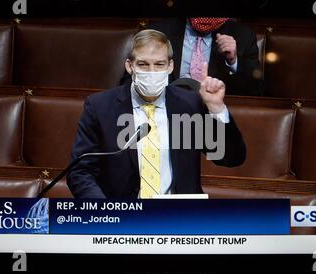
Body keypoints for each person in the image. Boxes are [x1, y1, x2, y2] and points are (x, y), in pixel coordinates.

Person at [67, 29, 246, 199]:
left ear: (170, 66)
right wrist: (108, 212)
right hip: (124, 218)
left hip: (179, 218)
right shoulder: (100, 107)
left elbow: (231, 158)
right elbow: (80, 172)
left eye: (159, 64)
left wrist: (217, 109)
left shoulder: (189, 104)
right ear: (130, 66)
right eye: (143, 64)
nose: (152, 72)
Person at [121, 18, 264, 96]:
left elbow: (256, 91)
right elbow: (128, 82)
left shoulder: (242, 35)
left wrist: (233, 60)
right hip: (164, 107)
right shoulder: (159, 32)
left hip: (211, 112)